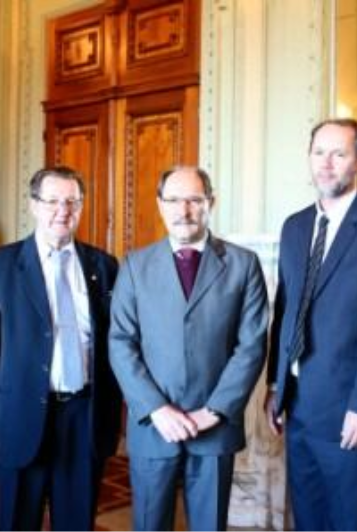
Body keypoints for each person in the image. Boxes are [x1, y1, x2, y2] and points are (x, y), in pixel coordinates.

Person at [265, 118, 357, 532]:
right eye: (318, 153)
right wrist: (275, 385)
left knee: (354, 522)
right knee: (310, 520)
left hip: (351, 412)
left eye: (339, 154)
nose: (326, 164)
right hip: (297, 406)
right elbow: (286, 310)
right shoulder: (294, 226)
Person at [109, 165, 269, 532]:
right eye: (174, 200)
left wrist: (213, 412)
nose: (183, 211)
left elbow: (252, 345)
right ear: (160, 206)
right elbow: (120, 342)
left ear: (210, 203)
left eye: (194, 200)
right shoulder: (135, 265)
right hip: (154, 426)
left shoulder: (243, 265)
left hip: (213, 427)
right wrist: (157, 409)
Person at [0, 167, 122, 531]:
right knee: (18, 522)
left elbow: (114, 346)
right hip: (21, 417)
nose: (62, 210)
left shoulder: (104, 266)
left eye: (72, 202)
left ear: (81, 207)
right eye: (52, 201)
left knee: (76, 522)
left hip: (84, 416)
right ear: (34, 205)